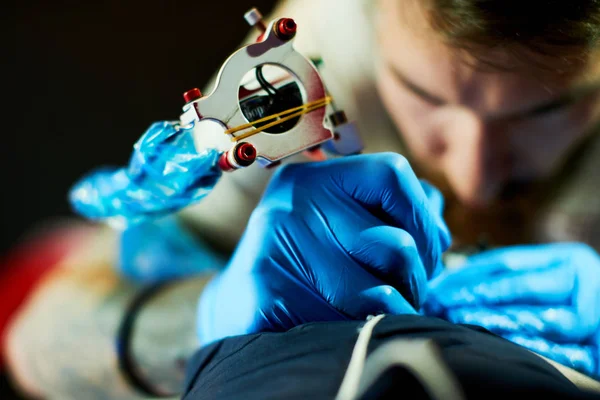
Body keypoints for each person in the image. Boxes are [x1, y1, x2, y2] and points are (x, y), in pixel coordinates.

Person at [4, 0, 600, 398]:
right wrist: (204, 316)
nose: (474, 176)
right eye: (423, 92)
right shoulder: (301, 76)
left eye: (549, 107)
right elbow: (40, 343)